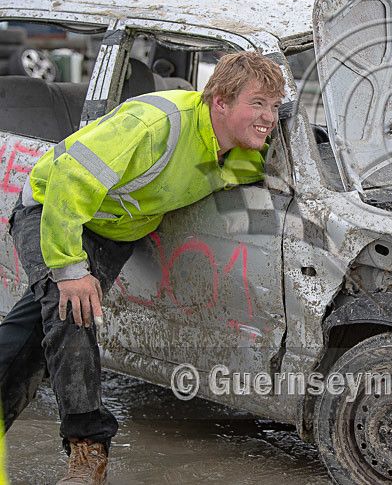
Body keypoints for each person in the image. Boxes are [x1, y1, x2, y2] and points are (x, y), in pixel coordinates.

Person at [0, 51, 284, 484]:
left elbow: (271, 179)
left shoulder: (240, 150)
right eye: (258, 103)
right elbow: (69, 179)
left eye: (276, 106)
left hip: (114, 231)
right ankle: (88, 450)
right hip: (54, 210)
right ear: (220, 102)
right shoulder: (155, 123)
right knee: (70, 310)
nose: (269, 117)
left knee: (30, 336)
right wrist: (70, 268)